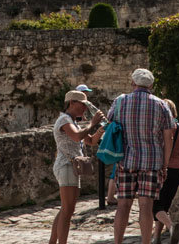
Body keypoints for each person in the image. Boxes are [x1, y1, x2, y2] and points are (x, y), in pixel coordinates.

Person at [106, 68, 175, 244]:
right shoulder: (161, 105)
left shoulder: (120, 101)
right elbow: (169, 138)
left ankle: (117, 242)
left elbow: (109, 122)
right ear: (151, 85)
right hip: (152, 162)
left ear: (132, 83)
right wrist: (165, 165)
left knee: (123, 206)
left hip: (125, 160)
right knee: (146, 206)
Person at [49, 90, 105, 244]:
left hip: (71, 167)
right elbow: (77, 136)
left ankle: (53, 241)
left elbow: (91, 141)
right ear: (72, 103)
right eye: (82, 105)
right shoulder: (64, 120)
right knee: (67, 210)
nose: (84, 109)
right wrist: (92, 123)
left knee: (66, 209)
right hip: (66, 166)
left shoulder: (72, 122)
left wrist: (100, 130)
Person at [152, 99, 179, 243]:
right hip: (177, 170)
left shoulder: (160, 127)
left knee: (155, 205)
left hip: (161, 167)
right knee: (164, 205)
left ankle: (170, 226)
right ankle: (156, 237)